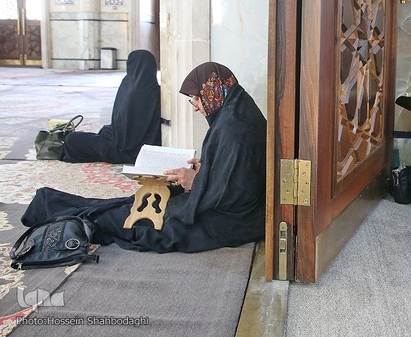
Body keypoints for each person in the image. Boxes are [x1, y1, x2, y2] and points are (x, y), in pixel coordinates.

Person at [22, 62, 266, 253]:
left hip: (231, 220)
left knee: (145, 225)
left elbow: (232, 193)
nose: (194, 106)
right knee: (138, 204)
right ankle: (50, 204)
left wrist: (195, 181)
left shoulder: (235, 127)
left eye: (196, 98)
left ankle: (53, 211)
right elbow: (235, 172)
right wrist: (206, 169)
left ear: (212, 90)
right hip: (228, 208)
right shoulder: (236, 111)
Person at [60, 49, 162, 164]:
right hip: (149, 151)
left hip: (124, 152)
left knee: (72, 140)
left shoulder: (130, 90)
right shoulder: (157, 91)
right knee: (103, 131)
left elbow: (122, 139)